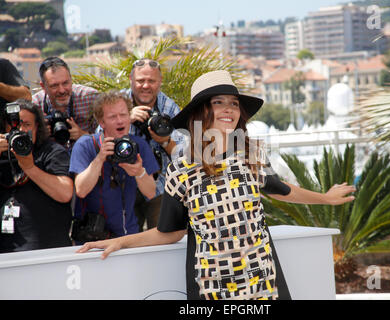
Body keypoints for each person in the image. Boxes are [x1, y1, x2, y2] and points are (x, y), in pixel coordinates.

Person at [77, 70, 356, 300]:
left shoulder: (251, 157)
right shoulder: (181, 170)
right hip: (213, 288)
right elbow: (169, 232)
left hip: (261, 281)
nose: (229, 109)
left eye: (234, 103)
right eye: (219, 102)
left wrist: (326, 198)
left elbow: (283, 190)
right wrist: (119, 242)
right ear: (202, 112)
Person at [69, 91, 159, 241]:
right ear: (101, 122)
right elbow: (81, 190)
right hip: (91, 236)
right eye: (112, 117)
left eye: (123, 115)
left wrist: (139, 172)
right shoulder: (85, 144)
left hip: (126, 235)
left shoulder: (138, 145)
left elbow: (150, 193)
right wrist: (100, 158)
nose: (120, 121)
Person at [0, 99, 73, 253]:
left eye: (26, 125)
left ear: (36, 127)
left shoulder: (52, 151)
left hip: (46, 252)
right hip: (6, 254)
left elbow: (65, 193)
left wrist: (30, 168)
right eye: (13, 125)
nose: (19, 130)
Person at [126, 58, 181, 231]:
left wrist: (163, 140)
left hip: (161, 185)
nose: (146, 86)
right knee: (125, 238)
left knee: (162, 236)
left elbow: (183, 154)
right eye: (140, 81)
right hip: (124, 183)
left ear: (160, 81)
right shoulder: (118, 103)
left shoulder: (170, 108)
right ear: (131, 80)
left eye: (151, 81)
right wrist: (126, 119)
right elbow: (100, 138)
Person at [32, 56, 98, 148]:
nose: (62, 90)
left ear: (71, 80)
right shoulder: (34, 106)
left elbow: (108, 135)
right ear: (43, 87)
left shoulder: (90, 98)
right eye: (54, 86)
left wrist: (83, 136)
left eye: (65, 83)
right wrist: (39, 135)